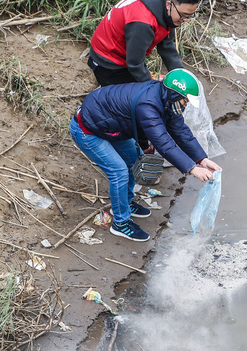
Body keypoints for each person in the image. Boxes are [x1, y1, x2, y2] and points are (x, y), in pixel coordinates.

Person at [70, 68, 222, 242]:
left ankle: (124, 204)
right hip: (87, 129)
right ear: (173, 95)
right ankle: (120, 223)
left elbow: (180, 131)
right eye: (185, 100)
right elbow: (163, 143)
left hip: (111, 127)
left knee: (134, 161)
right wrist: (192, 169)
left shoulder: (166, 101)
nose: (186, 104)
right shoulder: (148, 105)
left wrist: (202, 159)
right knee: (118, 172)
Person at [88, 0, 200, 86]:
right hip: (108, 61)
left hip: (126, 55)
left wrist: (180, 76)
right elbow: (135, 64)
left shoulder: (166, 10)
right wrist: (149, 87)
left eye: (189, 16)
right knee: (129, 100)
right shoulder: (143, 23)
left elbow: (166, 45)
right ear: (169, 5)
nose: (184, 19)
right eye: (183, 15)